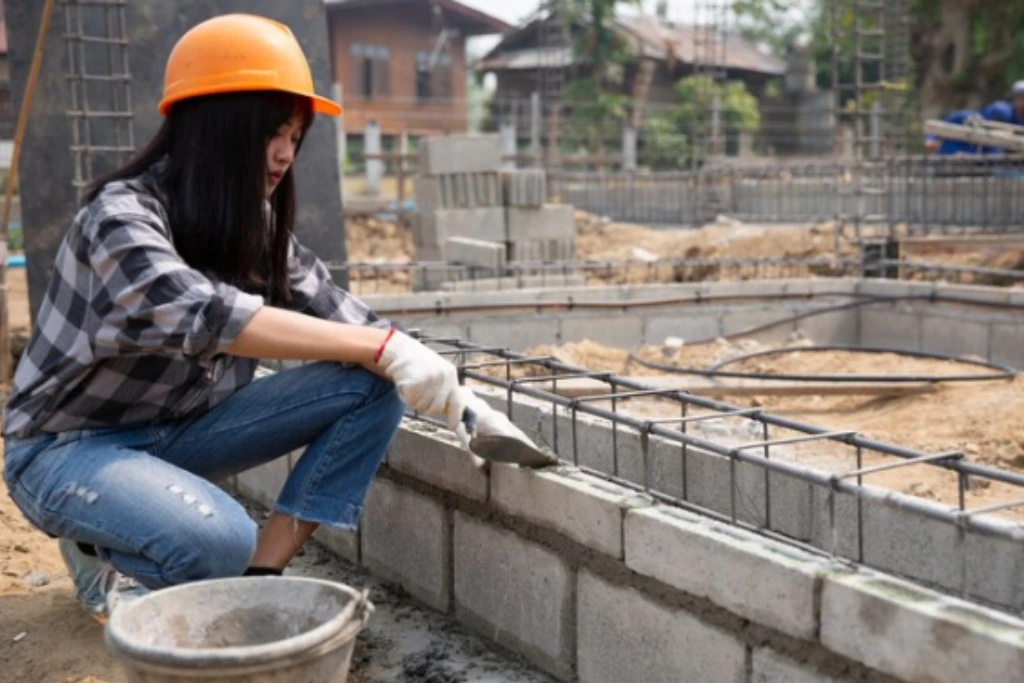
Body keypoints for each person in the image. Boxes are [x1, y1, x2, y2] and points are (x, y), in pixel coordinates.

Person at [1, 14, 503, 623]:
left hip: (171, 434)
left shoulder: (251, 226)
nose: (287, 153)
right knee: (215, 544)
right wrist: (382, 347)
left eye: (296, 135)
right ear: (216, 128)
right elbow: (206, 313)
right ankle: (96, 545)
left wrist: (454, 394)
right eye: (273, 132)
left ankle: (259, 578)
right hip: (66, 449)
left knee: (369, 383)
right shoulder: (121, 219)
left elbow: (345, 318)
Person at [925, 81, 1024, 155]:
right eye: (1019, 97)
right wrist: (931, 139)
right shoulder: (1000, 111)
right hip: (958, 161)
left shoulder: (1017, 121)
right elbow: (940, 126)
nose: (1020, 102)